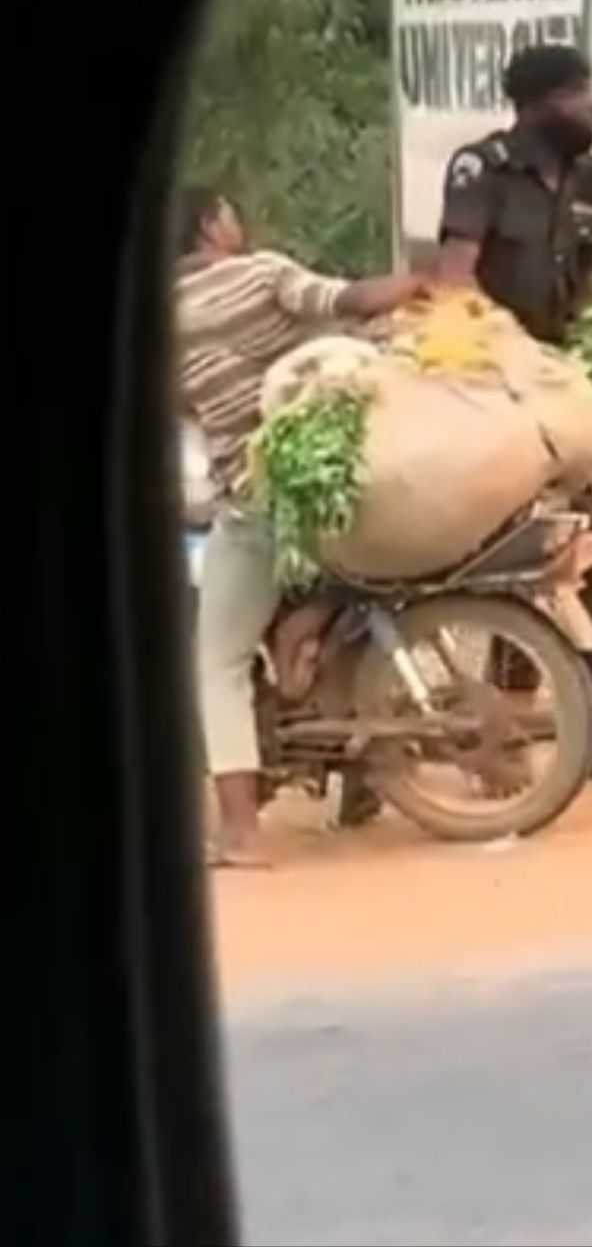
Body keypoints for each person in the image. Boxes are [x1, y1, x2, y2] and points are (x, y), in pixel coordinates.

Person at [174, 188, 430, 866]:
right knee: (318, 589)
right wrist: (429, 279)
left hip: (258, 498)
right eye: (231, 212)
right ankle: (355, 764)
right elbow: (350, 300)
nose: (239, 221)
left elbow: (187, 409)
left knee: (217, 663)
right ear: (209, 226)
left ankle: (238, 833)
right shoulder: (261, 274)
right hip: (336, 485)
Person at [436, 44, 592, 783]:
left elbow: (587, 276)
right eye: (574, 94)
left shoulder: (591, 182)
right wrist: (494, 362)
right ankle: (506, 734)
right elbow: (451, 286)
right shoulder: (482, 171)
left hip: (559, 383)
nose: (589, 108)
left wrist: (583, 344)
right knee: (518, 555)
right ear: (535, 104)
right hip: (493, 384)